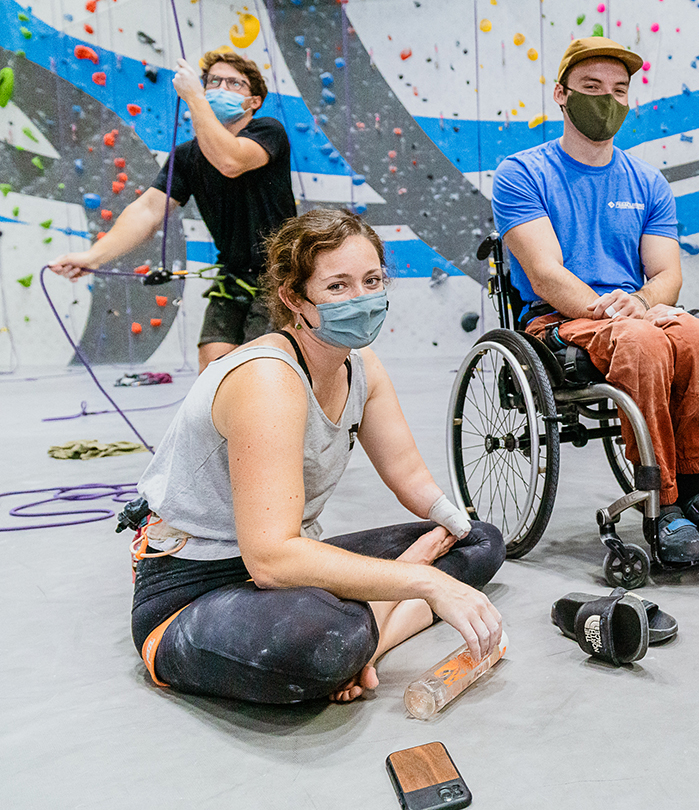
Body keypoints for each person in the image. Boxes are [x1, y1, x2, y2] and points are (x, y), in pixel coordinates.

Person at [128, 208, 505, 704]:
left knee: (479, 541)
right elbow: (270, 559)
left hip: (287, 570)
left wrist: (449, 523)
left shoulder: (361, 366)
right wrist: (423, 580)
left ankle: (366, 638)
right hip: (195, 589)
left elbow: (409, 476)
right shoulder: (268, 378)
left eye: (372, 280)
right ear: (293, 297)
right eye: (338, 286)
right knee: (324, 643)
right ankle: (368, 633)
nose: (363, 298)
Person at [489, 37, 699, 564]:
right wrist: (613, 310)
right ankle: (664, 500)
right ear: (561, 95)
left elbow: (667, 272)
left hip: (636, 312)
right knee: (641, 342)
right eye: (591, 88)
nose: (607, 100)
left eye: (619, 90)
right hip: (558, 319)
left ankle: (698, 489)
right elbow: (544, 274)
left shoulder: (647, 181)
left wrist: (642, 300)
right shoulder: (521, 174)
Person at [50, 51, 297, 373]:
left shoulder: (268, 131)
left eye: (234, 83)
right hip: (235, 272)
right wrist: (94, 257)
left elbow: (231, 161)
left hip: (282, 272)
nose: (221, 87)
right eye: (213, 82)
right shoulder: (186, 157)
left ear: (253, 101)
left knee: (262, 365)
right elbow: (147, 212)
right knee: (213, 366)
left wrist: (194, 96)